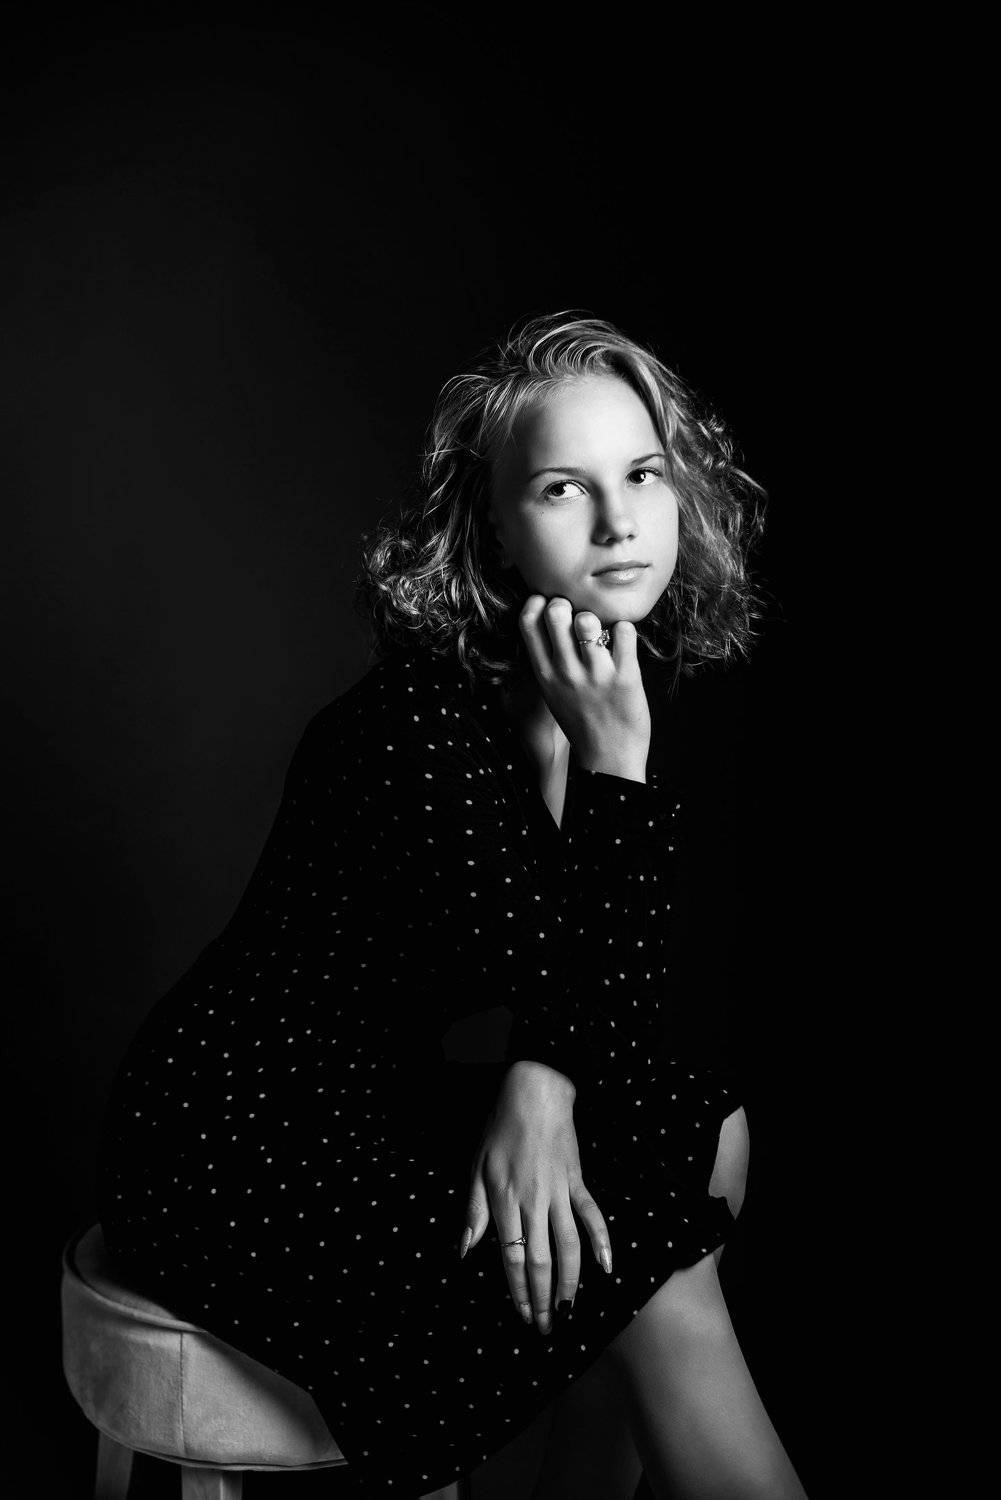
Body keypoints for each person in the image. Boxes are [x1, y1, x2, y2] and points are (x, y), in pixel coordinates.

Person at [97, 310, 808, 1498]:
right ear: (492, 524)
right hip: (234, 1139)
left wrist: (544, 1086)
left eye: (642, 475)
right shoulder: (423, 724)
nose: (619, 522)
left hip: (364, 1096)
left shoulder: (572, 685)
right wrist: (619, 771)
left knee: (703, 1130)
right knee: (652, 1254)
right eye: (563, 489)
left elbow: (593, 1018)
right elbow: (570, 995)